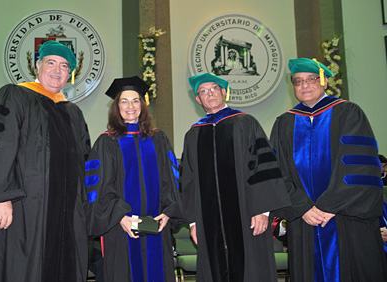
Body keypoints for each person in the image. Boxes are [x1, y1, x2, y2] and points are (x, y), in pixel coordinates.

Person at [0, 40, 91, 282]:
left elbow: (82, 161)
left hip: (65, 212)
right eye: (50, 62)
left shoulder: (73, 113)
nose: (57, 70)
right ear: (37, 66)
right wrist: (1, 196)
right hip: (23, 208)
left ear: (70, 74)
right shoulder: (14, 95)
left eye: (64, 66)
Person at [270, 58, 387, 281]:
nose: (304, 85)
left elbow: (360, 168)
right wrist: (302, 207)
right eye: (298, 81)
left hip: (345, 218)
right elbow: (277, 174)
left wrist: (328, 207)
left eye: (311, 79)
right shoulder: (284, 123)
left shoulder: (348, 113)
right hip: (305, 220)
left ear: (324, 82)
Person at [179, 73, 291, 281]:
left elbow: (263, 166)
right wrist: (193, 222)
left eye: (213, 89)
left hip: (248, 215)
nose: (209, 94)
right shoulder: (193, 134)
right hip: (208, 221)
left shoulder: (245, 123)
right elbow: (189, 181)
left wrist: (262, 211)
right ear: (198, 100)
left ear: (224, 92)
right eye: (203, 91)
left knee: (251, 269)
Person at [85, 76, 182, 282]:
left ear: (143, 105)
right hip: (121, 228)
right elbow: (100, 188)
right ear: (116, 107)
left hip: (157, 226)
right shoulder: (106, 142)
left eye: (136, 100)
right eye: (124, 101)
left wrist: (168, 213)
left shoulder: (159, 139)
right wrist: (121, 217)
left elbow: (171, 181)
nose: (130, 106)